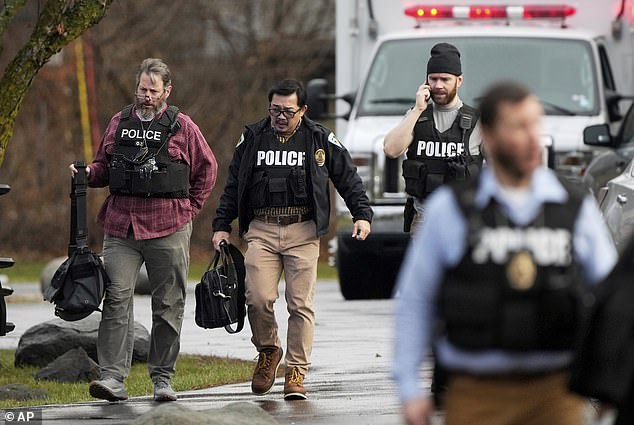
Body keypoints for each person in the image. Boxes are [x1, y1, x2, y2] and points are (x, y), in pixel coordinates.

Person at [392, 81, 617, 425]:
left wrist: (611, 382)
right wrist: (409, 387)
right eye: (518, 127)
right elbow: (416, 301)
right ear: (490, 137)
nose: (532, 138)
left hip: (556, 392)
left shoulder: (572, 207)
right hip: (476, 392)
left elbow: (611, 298)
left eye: (535, 125)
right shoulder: (450, 211)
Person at [212, 79, 373, 400]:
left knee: (300, 304)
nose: (280, 116)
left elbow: (347, 176)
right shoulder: (253, 137)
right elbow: (235, 183)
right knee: (257, 298)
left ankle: (296, 370)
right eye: (275, 110)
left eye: (287, 111)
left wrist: (362, 214)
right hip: (262, 228)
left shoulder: (319, 138)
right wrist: (221, 224)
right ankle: (269, 349)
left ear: (303, 109)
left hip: (303, 230)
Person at [69, 58, 217, 402]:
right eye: (142, 88)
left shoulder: (183, 126)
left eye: (153, 89)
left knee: (168, 303)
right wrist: (86, 174)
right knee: (117, 298)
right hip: (122, 226)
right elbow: (104, 167)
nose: (146, 95)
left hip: (169, 225)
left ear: (167, 90)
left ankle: (163, 379)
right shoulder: (119, 122)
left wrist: (189, 210)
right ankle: (112, 378)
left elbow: (207, 170)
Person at [383, 42, 483, 232]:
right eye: (433, 79)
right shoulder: (416, 116)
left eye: (445, 79)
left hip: (463, 220)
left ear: (459, 80)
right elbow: (390, 150)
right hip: (423, 220)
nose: (438, 85)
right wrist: (418, 109)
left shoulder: (477, 122)